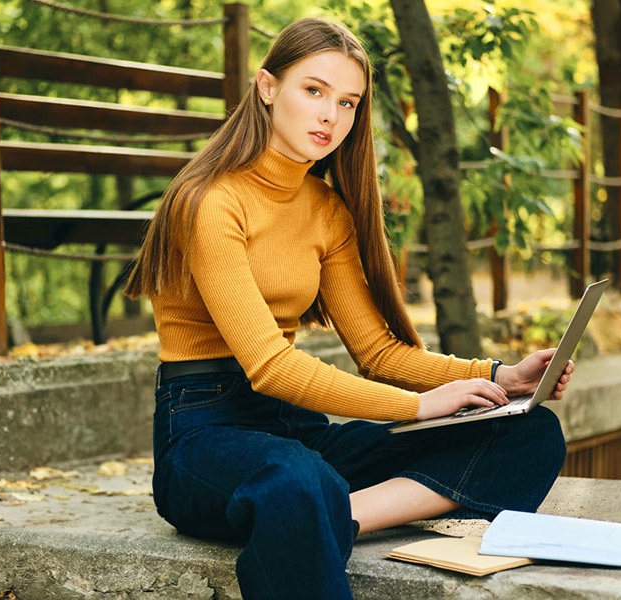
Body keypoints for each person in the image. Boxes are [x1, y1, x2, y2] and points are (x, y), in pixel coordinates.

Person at [122, 17, 570, 599]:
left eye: (348, 102)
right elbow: (271, 367)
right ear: (266, 87)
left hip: (297, 429)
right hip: (205, 434)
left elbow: (378, 352)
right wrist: (416, 407)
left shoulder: (326, 208)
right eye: (313, 90)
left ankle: (335, 515)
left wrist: (498, 377)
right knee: (296, 478)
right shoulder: (209, 201)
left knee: (528, 432)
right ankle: (312, 507)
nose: (330, 115)